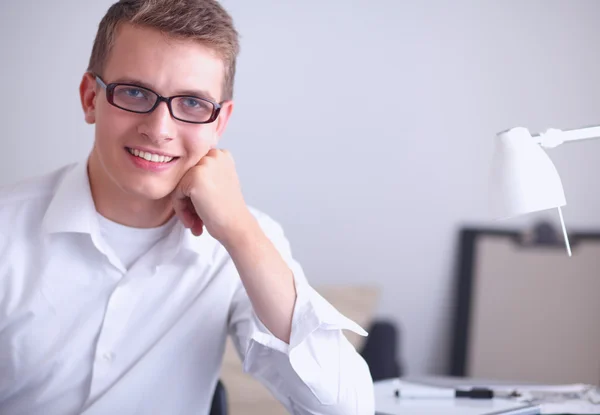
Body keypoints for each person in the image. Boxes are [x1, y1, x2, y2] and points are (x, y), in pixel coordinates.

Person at [0, 1, 375, 414]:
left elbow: (344, 408)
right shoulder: (7, 227)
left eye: (193, 104)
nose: (159, 129)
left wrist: (238, 231)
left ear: (220, 122)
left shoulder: (243, 243)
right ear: (91, 98)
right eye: (135, 92)